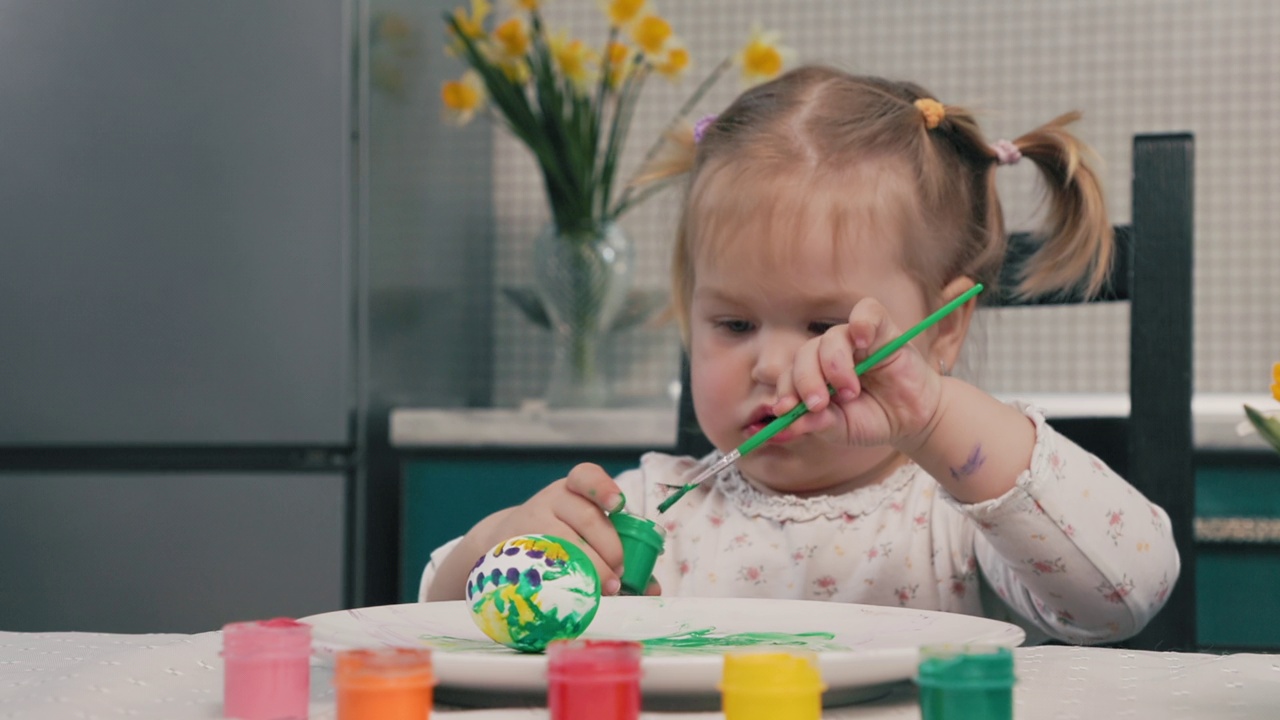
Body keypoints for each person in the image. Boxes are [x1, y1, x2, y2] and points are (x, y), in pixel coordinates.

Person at [421, 65, 1179, 645]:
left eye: (823, 325)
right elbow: (437, 620)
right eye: (733, 324)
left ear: (942, 331)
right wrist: (502, 543)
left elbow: (1131, 592)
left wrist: (933, 416)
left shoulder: (952, 515)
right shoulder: (650, 513)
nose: (771, 364)